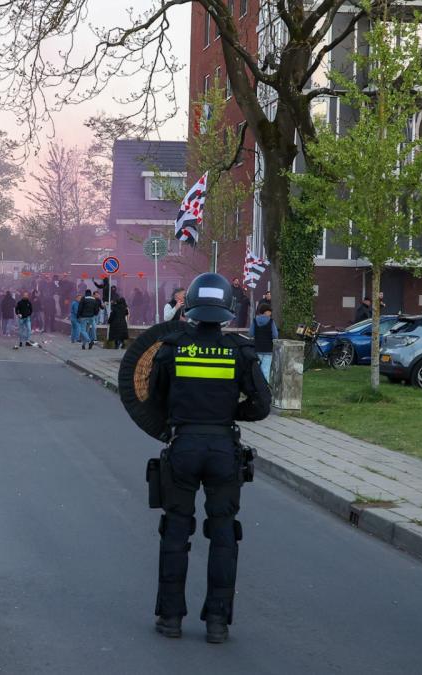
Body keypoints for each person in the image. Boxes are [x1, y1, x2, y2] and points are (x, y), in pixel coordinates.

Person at [148, 272, 271, 643]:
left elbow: (153, 400)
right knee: (223, 535)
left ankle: (170, 619)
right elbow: (262, 405)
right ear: (228, 311)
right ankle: (217, 623)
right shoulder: (241, 351)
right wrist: (231, 415)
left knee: (175, 531)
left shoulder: (171, 348)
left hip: (183, 447)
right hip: (222, 450)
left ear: (192, 307)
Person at [249, 303, 278, 382]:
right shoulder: (271, 322)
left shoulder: (255, 321)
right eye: (269, 311)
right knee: (266, 370)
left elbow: (250, 334)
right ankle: (264, 389)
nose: (270, 313)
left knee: (256, 371)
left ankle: (255, 387)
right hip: (268, 349)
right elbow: (275, 335)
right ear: (265, 312)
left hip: (257, 348)